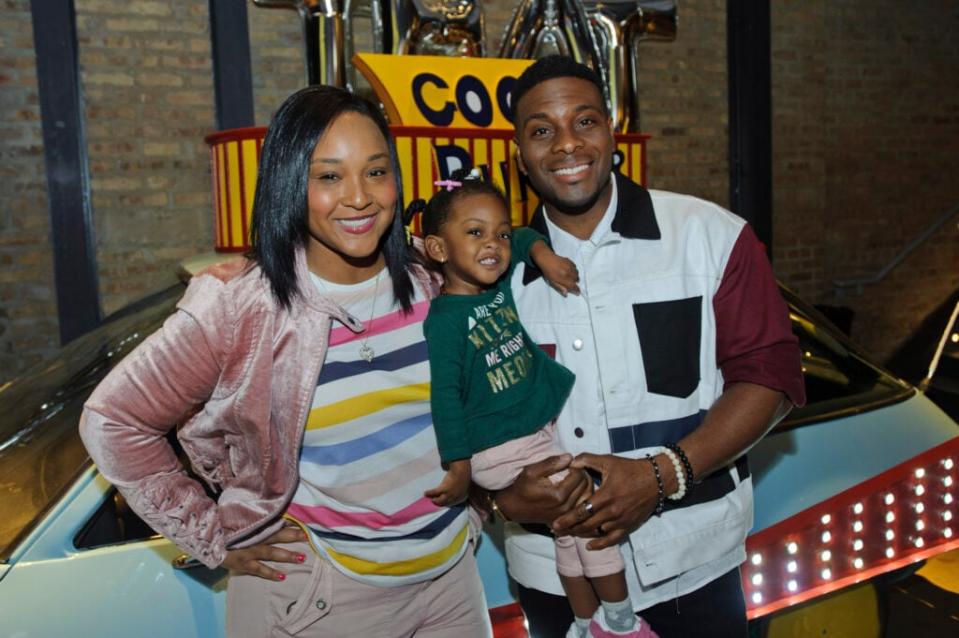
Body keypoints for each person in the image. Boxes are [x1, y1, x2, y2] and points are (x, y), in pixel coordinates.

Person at [79, 85, 492, 637]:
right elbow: (113, 420)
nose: (359, 197)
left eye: (375, 171)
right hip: (320, 599)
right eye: (328, 176)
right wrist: (212, 535)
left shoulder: (433, 279)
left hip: (451, 585)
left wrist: (482, 499)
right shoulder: (241, 305)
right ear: (289, 184)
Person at [485, 56, 807, 637]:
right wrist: (503, 499)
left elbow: (771, 375)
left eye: (584, 121)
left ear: (611, 132)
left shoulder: (710, 236)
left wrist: (662, 475)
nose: (565, 145)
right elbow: (457, 418)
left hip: (695, 569)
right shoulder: (488, 278)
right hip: (554, 583)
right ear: (519, 157)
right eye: (540, 130)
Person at [411, 171, 657, 638]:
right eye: (476, 233)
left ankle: (584, 623)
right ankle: (622, 621)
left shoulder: (497, 286)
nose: (495, 244)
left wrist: (544, 256)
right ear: (439, 250)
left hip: (532, 432)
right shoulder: (444, 321)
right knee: (588, 514)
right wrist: (459, 467)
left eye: (499, 234)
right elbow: (444, 396)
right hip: (496, 447)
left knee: (566, 528)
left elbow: (524, 234)